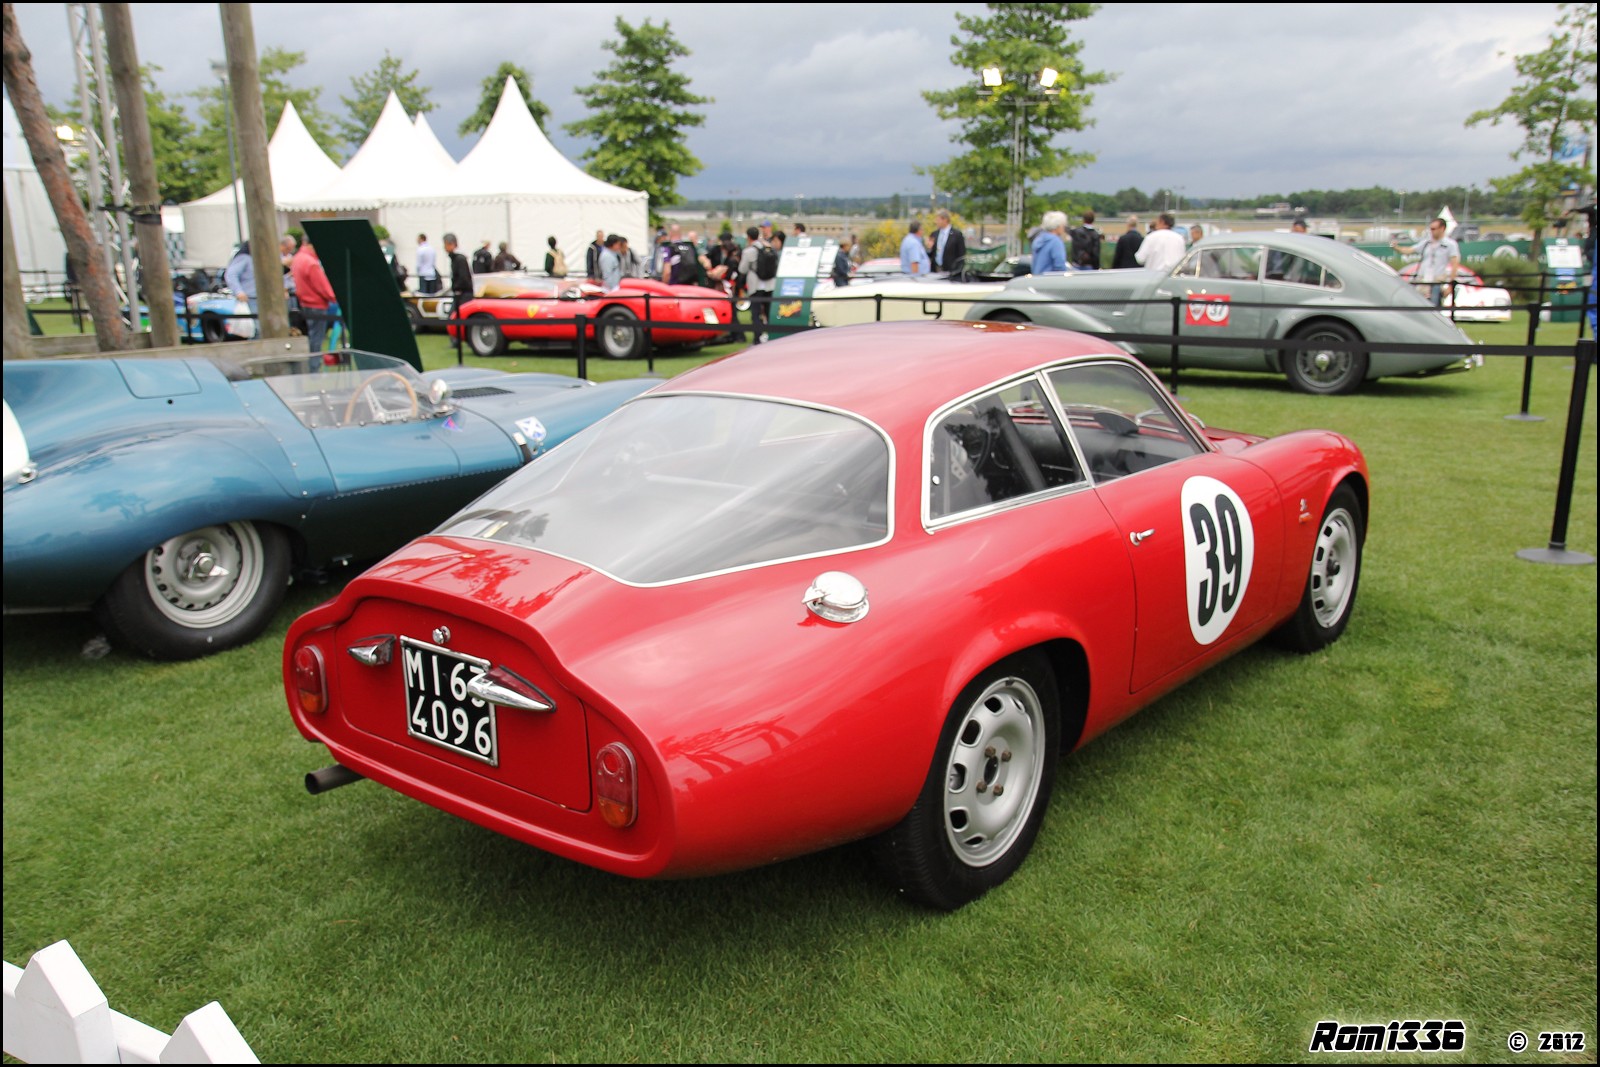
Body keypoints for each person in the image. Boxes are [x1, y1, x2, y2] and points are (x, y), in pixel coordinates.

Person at [1391, 218, 1460, 306]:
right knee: (1417, 304)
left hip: (1437, 280)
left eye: (1434, 229)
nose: (1431, 231)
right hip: (1422, 279)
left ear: (1442, 229)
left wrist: (1451, 285)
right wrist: (1396, 247)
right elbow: (1409, 250)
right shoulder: (1426, 242)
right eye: (1430, 229)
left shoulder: (1450, 244)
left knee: (1434, 306)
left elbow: (1455, 264)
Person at [290, 236, 337, 352]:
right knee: (316, 341)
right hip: (317, 305)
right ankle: (313, 368)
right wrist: (335, 297)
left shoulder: (298, 258)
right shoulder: (311, 263)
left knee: (311, 338)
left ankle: (311, 366)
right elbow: (323, 287)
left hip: (305, 303)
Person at [739, 225, 775, 343]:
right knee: (769, 312)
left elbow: (742, 269)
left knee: (756, 313)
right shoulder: (767, 247)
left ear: (748, 237)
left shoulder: (748, 251)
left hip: (755, 285)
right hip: (769, 284)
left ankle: (757, 337)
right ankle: (772, 335)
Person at [443, 233, 474, 321]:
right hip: (460, 292)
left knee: (454, 318)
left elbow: (463, 277)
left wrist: (457, 287)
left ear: (451, 244)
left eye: (445, 244)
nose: (444, 247)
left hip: (463, 293)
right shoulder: (456, 259)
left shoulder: (459, 259)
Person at [222, 240, 257, 316]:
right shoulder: (244, 258)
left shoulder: (255, 259)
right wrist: (238, 291)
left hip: (257, 298)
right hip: (249, 299)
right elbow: (231, 274)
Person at [931, 209, 968, 279]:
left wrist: (957, 272)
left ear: (945, 220)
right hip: (936, 271)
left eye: (938, 220)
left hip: (951, 272)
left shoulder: (957, 235)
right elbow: (931, 253)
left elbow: (962, 254)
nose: (936, 222)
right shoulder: (934, 234)